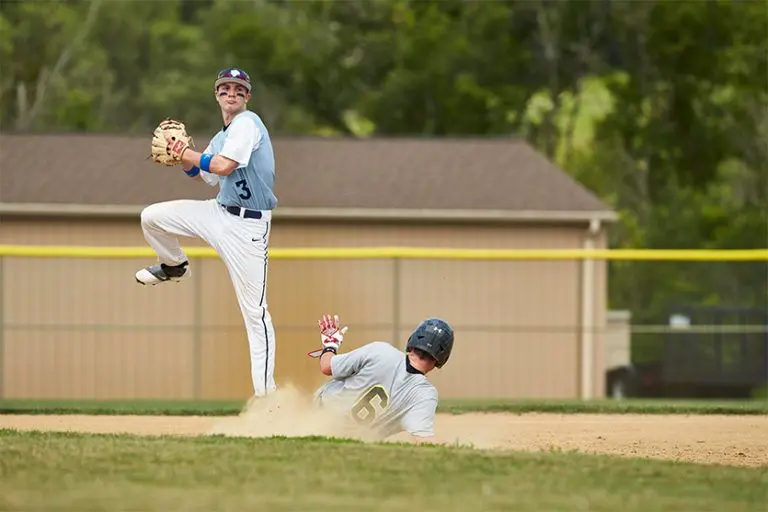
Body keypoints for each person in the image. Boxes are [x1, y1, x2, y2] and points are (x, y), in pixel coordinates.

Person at [135, 67, 278, 399]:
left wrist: (185, 152)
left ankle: (268, 400)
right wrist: (182, 157)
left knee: (255, 314)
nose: (232, 93)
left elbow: (223, 166)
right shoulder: (221, 136)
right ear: (216, 94)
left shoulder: (247, 123)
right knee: (152, 217)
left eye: (239, 89)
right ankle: (174, 265)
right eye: (225, 88)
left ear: (247, 97)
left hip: (249, 227)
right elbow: (205, 178)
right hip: (218, 212)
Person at [308, 313, 455, 443]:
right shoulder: (424, 394)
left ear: (413, 340)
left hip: (317, 416)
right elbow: (424, 439)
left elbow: (326, 367)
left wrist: (330, 345)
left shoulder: (380, 351)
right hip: (351, 443)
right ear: (442, 357)